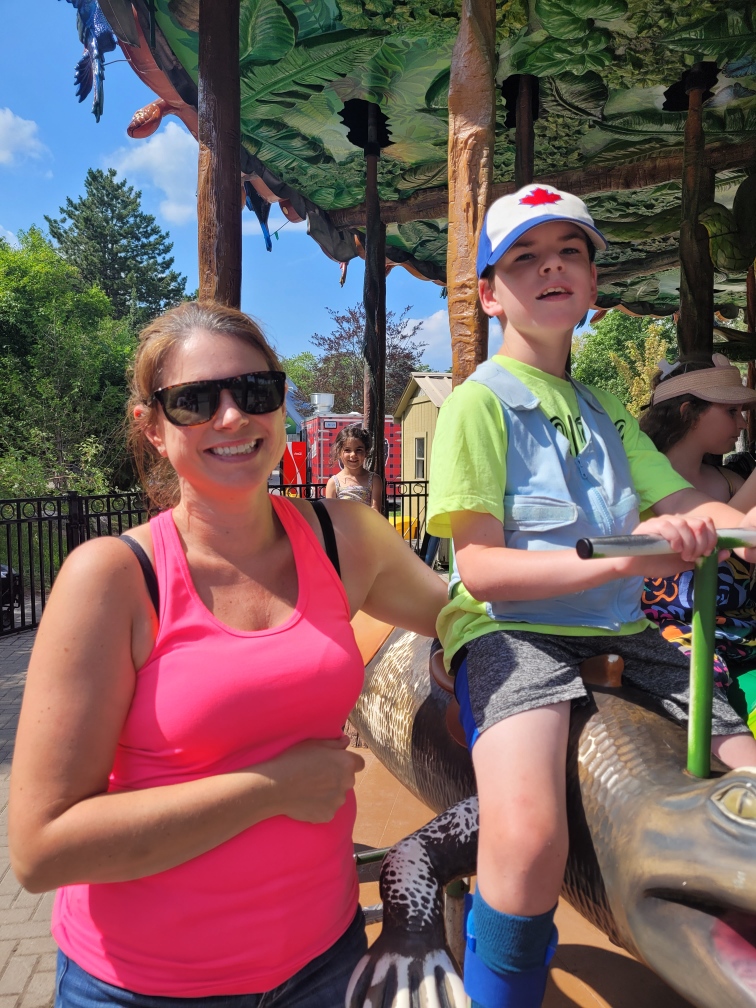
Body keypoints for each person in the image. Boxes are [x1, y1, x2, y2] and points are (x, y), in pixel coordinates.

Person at [9, 302, 446, 1008]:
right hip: (145, 986)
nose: (233, 418)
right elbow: (42, 847)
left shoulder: (345, 539)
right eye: (193, 402)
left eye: (255, 391)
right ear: (152, 426)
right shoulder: (115, 579)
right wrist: (273, 788)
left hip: (323, 962)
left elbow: (462, 616)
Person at [426, 184, 756, 1008]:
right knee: (529, 835)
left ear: (592, 287)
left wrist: (724, 525)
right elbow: (484, 573)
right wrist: (625, 563)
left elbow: (685, 505)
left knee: (747, 773)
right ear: (490, 292)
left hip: (615, 623)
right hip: (513, 631)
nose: (551, 269)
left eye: (569, 253)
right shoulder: (476, 405)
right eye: (526, 258)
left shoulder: (604, 408)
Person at [640, 356, 756, 735]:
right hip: (671, 632)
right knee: (697, 675)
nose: (742, 422)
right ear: (690, 412)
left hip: (742, 630)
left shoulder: (729, 480)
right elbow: (727, 536)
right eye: (731, 410)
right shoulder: (642, 490)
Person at [325, 425, 383, 512]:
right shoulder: (333, 483)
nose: (353, 455)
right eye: (347, 450)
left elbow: (375, 511)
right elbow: (330, 514)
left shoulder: (374, 480)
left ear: (366, 452)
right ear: (339, 452)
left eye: (358, 450)